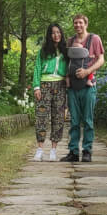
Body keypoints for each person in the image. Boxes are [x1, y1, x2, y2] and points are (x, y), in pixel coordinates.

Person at [61, 13, 105, 162]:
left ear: (86, 24)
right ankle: (73, 152)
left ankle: (87, 151)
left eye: (80, 23)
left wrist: (87, 71)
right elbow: (66, 62)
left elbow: (101, 59)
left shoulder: (95, 39)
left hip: (88, 86)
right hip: (73, 86)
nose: (78, 25)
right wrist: (67, 78)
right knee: (74, 121)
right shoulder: (70, 41)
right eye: (75, 23)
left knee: (87, 120)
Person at [30, 23, 68, 161]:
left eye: (58, 32)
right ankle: (40, 149)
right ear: (49, 35)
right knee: (41, 117)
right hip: (44, 85)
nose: (56, 35)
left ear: (61, 34)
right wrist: (36, 87)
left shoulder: (66, 50)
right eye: (53, 33)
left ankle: (53, 150)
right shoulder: (44, 50)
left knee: (58, 118)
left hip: (61, 85)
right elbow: (37, 68)